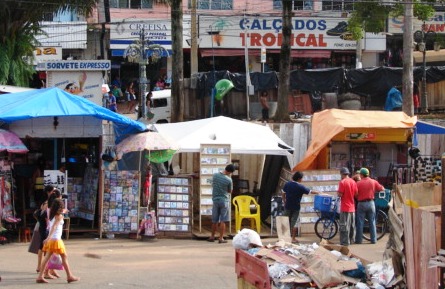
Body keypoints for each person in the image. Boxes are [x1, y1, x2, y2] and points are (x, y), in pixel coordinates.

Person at [36, 198, 79, 283]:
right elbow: (54, 227)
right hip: (56, 239)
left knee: (48, 257)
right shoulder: (59, 216)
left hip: (53, 239)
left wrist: (48, 238)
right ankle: (69, 276)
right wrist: (48, 238)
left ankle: (40, 276)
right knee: (63, 257)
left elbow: (54, 223)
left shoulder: (52, 214)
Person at [281, 171, 320, 244]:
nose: (302, 180)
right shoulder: (300, 187)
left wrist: (284, 200)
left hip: (287, 205)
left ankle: (283, 238)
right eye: (302, 178)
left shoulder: (288, 184)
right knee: (294, 222)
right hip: (296, 207)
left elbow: (283, 193)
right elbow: (310, 191)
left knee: (285, 221)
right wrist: (318, 192)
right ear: (299, 179)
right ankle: (293, 238)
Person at [354, 168, 384, 244]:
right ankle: (373, 240)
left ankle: (359, 240)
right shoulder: (373, 182)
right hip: (371, 203)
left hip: (361, 203)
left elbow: (355, 194)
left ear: (361, 175)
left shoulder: (358, 183)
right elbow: (382, 189)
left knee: (360, 222)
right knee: (372, 222)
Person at [207, 164, 235, 243]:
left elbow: (213, 184)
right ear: (230, 172)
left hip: (215, 200)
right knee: (223, 220)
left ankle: (212, 237)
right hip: (224, 201)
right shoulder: (229, 180)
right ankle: (221, 238)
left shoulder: (215, 175)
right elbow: (230, 191)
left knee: (214, 220)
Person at [337, 167, 357, 246]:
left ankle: (345, 242)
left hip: (345, 207)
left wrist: (338, 193)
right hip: (352, 207)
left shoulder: (342, 182)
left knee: (344, 225)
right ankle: (351, 240)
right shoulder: (353, 182)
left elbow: (340, 194)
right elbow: (356, 194)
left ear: (342, 174)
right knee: (352, 225)